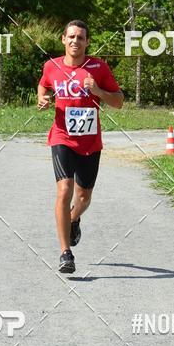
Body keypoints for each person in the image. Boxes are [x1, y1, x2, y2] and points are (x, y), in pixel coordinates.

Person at [37, 20, 124, 273]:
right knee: (64, 191)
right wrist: (41, 97)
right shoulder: (51, 66)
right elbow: (44, 84)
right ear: (63, 39)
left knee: (83, 197)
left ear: (87, 42)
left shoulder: (98, 67)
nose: (75, 41)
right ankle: (66, 253)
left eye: (81, 38)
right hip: (62, 137)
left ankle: (73, 219)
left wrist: (97, 90)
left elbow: (119, 102)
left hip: (90, 141)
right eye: (71, 37)